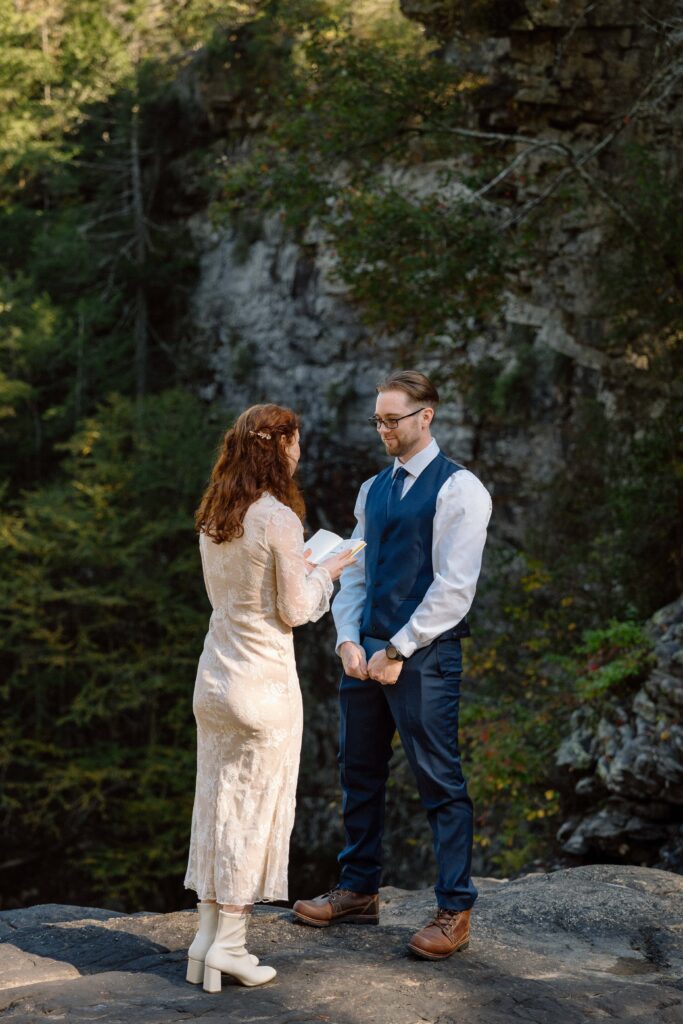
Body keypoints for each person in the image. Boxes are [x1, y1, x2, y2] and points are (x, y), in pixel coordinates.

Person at [292, 370, 492, 960]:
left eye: (392, 419)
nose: (383, 429)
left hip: (424, 657)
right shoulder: (372, 488)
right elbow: (353, 570)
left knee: (439, 780)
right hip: (365, 657)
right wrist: (348, 642)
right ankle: (358, 889)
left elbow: (456, 588)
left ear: (425, 417)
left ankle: (454, 909)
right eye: (377, 420)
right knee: (357, 771)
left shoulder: (462, 490)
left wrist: (398, 648)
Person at [183, 404, 355, 992]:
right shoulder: (277, 517)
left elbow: (243, 592)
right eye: (296, 442)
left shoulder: (216, 515)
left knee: (215, 804)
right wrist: (329, 567)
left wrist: (300, 567)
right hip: (262, 684)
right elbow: (296, 608)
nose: (300, 452)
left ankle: (204, 939)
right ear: (278, 446)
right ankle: (229, 945)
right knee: (253, 812)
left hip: (214, 681)